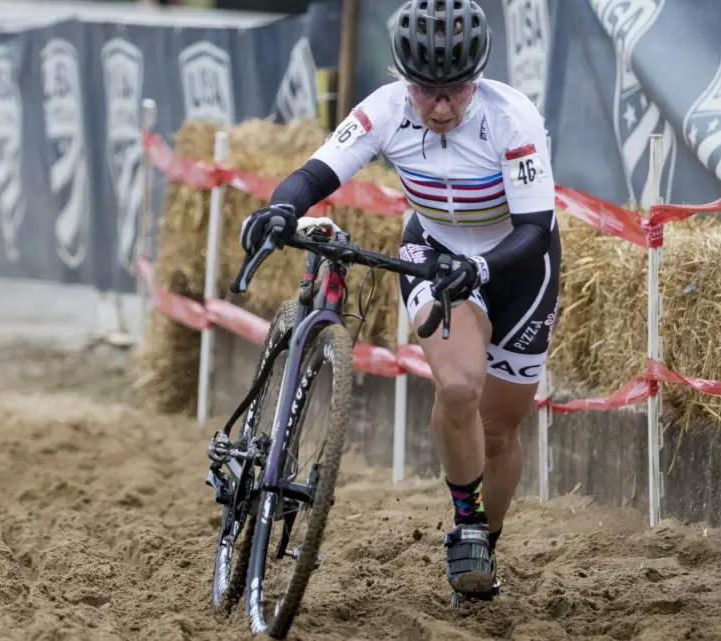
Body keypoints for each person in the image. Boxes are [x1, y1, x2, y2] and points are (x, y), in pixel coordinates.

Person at [237, 0, 560, 602]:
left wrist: (482, 266)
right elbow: (316, 173)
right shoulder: (384, 110)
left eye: (456, 90)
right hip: (433, 252)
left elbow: (536, 227)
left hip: (516, 262)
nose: (440, 106)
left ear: (478, 76)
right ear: (403, 78)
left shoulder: (511, 117)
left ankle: (483, 546)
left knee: (498, 431)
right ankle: (465, 522)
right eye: (425, 90)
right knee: (460, 386)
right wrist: (283, 206)